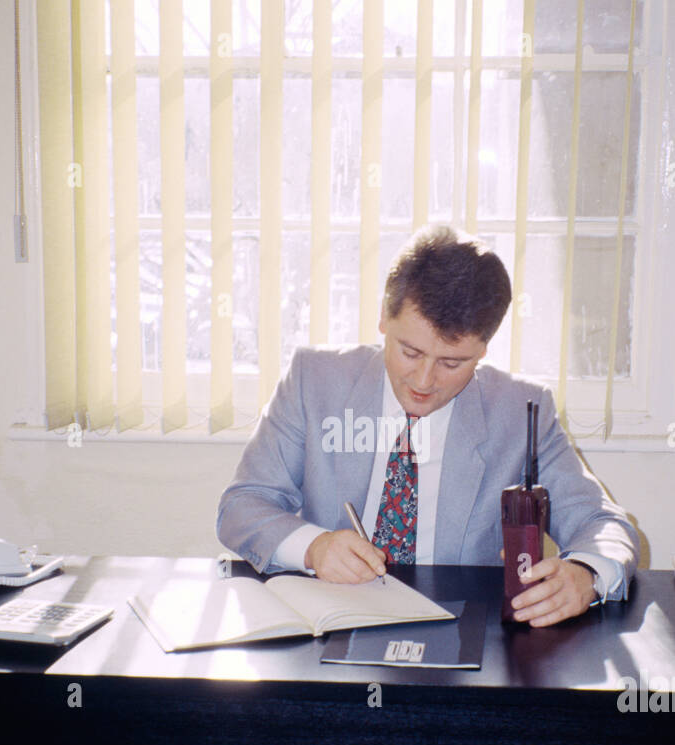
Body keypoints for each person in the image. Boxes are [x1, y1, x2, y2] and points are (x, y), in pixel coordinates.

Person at [216, 225, 639, 626]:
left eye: (452, 363)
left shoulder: (522, 411)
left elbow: (602, 524)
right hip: (334, 618)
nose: (423, 382)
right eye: (410, 351)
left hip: (465, 627)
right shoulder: (314, 380)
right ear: (384, 316)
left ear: (484, 349)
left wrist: (586, 573)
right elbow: (242, 506)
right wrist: (313, 547)